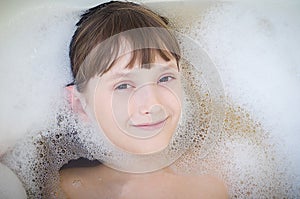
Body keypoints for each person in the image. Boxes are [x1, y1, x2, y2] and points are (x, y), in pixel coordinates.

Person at [60, 1, 228, 198]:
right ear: (80, 106)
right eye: (123, 86)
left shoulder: (212, 184)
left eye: (165, 78)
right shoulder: (63, 190)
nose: (153, 104)